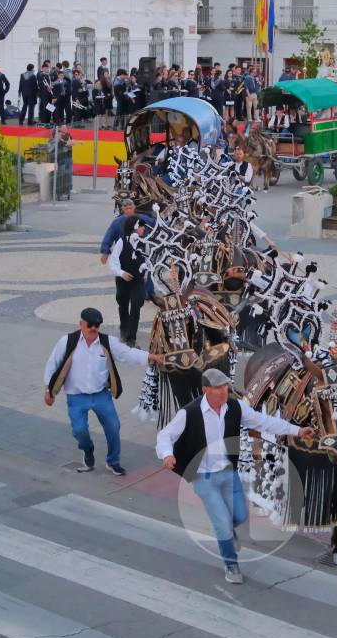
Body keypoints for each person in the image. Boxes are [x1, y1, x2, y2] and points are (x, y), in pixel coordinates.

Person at [156, 368, 314, 584]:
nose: (224, 391)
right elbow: (165, 435)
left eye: (225, 386)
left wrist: (297, 430)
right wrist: (167, 455)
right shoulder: (190, 412)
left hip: (229, 473)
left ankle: (228, 533)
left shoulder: (235, 407)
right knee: (221, 521)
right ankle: (231, 564)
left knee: (240, 516)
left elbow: (263, 422)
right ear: (205, 390)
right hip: (203, 477)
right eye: (218, 387)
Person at [43, 307, 162, 476]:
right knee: (79, 431)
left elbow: (128, 354)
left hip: (101, 396)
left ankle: (113, 462)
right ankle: (88, 450)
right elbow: (52, 363)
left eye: (97, 325)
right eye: (90, 324)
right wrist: (48, 390)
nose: (93, 328)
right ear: (81, 324)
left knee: (114, 427)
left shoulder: (108, 342)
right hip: (76, 397)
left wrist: (151, 357)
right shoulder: (67, 341)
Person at [107, 216, 149, 347]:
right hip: (123, 280)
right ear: (134, 227)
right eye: (141, 226)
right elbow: (113, 262)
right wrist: (121, 273)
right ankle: (124, 329)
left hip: (138, 281)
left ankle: (131, 338)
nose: (143, 229)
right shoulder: (121, 242)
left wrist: (145, 274)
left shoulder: (145, 242)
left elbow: (148, 261)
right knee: (123, 305)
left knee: (136, 306)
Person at [99, 200, 155, 264]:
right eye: (126, 209)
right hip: (123, 253)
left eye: (130, 208)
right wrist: (105, 252)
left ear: (134, 207)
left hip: (142, 253)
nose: (128, 210)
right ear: (122, 209)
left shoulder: (144, 218)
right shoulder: (117, 222)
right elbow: (109, 237)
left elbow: (158, 225)